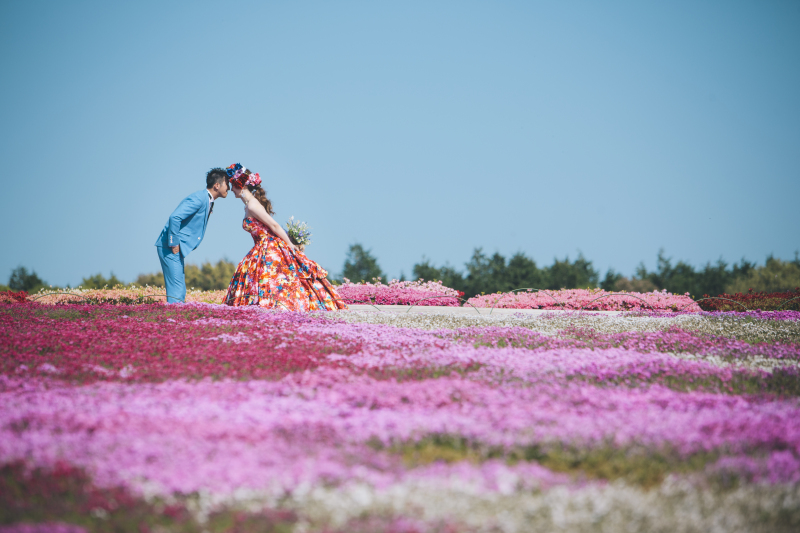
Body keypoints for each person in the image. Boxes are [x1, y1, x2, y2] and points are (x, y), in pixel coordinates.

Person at [223, 163, 346, 311]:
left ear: (240, 185)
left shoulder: (252, 206)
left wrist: (290, 244)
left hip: (269, 248)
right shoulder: (249, 206)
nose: (231, 189)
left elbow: (274, 225)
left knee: (274, 281)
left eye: (233, 185)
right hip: (261, 248)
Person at [154, 168, 229, 303]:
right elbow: (175, 217)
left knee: (180, 291)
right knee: (176, 293)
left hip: (176, 249)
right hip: (169, 247)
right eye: (227, 183)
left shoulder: (207, 199)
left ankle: (175, 316)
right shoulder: (199, 198)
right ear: (217, 185)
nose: (229, 187)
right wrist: (174, 243)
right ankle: (173, 316)